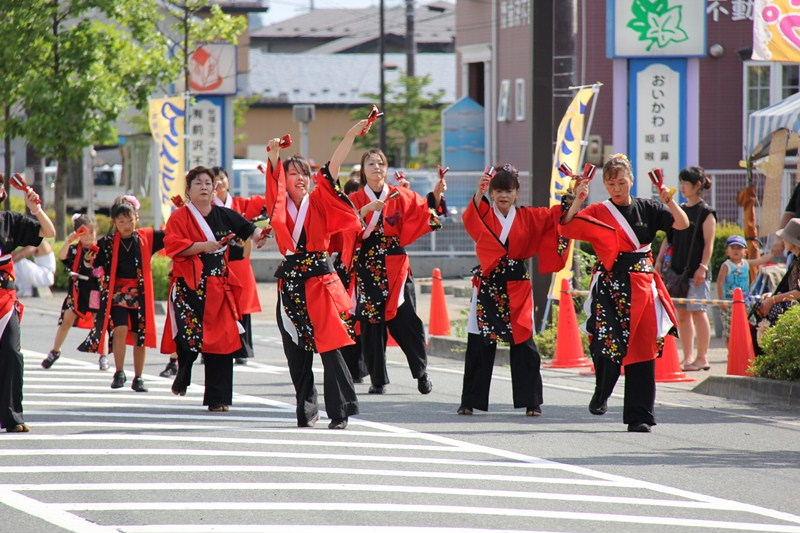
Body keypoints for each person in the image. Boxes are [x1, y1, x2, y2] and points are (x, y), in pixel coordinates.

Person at [561, 153, 689, 433]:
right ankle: (602, 391)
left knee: (642, 350)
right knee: (607, 344)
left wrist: (668, 200)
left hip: (642, 285)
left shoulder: (648, 208)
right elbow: (567, 227)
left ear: (631, 179)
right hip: (611, 287)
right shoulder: (599, 211)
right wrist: (579, 199)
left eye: (621, 182)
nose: (616, 188)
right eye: (610, 183)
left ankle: (639, 415)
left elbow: (682, 224)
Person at [266, 121, 366, 430]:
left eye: (304, 174)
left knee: (330, 345)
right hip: (291, 282)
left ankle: (340, 410)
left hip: (320, 281)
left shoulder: (319, 200)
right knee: (295, 349)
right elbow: (273, 183)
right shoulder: (278, 205)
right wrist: (274, 156)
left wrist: (349, 135)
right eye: (292, 174)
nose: (300, 178)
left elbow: (332, 169)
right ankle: (306, 408)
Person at [458, 164, 569, 417]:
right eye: (498, 191)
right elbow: (471, 218)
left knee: (524, 342)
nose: (503, 195)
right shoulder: (484, 213)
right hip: (489, 282)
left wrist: (572, 201)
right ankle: (469, 401)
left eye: (508, 191)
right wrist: (479, 192)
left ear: (516, 192)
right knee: (480, 341)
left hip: (517, 283)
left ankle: (532, 401)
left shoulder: (528, 216)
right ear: (492, 193)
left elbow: (555, 217)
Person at [161, 166, 268, 411]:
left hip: (218, 285)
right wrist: (202, 246)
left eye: (208, 183)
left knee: (222, 341)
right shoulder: (179, 217)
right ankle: (184, 370)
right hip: (189, 287)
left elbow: (248, 228)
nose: (204, 187)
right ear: (188, 190)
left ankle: (218, 398)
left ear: (214, 188)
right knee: (188, 339)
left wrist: (259, 235)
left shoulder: (224, 214)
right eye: (198, 183)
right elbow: (173, 246)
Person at [349, 150, 447, 395]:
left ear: (386, 168)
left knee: (407, 319)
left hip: (396, 264)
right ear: (363, 169)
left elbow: (423, 211)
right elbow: (344, 228)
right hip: (368, 264)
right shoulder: (355, 198)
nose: (376, 167)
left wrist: (436, 196)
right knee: (372, 322)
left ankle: (421, 373)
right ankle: (378, 379)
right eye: (371, 163)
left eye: (381, 163)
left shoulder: (399, 194)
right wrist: (364, 211)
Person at [78, 197, 164, 392]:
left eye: (130, 220)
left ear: (136, 218)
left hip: (140, 294)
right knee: (120, 328)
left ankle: (139, 377)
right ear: (114, 222)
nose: (126, 225)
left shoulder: (146, 238)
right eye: (121, 221)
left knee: (140, 335)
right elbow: (92, 264)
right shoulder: (107, 243)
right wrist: (88, 259)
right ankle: (119, 372)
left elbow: (171, 235)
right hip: (117, 293)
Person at [0, 175, 56, 433]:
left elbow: (49, 233)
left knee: (12, 353)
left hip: (4, 299)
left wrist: (36, 209)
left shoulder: (9, 221)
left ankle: (12, 416)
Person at [655, 167, 716, 372]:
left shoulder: (706, 213)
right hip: (677, 271)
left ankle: (702, 357)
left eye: (686, 183)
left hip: (697, 272)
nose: (682, 187)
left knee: (698, 312)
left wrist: (703, 267)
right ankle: (688, 356)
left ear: (697, 185)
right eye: (681, 182)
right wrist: (659, 260)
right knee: (682, 315)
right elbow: (668, 239)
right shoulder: (679, 209)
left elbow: (709, 244)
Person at [211, 166, 266, 367]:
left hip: (240, 262)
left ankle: (243, 348)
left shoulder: (241, 203)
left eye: (222, 178)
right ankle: (212, 347)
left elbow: (268, 202)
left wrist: (270, 175)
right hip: (219, 261)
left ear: (228, 181)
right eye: (214, 179)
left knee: (242, 307)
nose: (219, 182)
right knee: (217, 307)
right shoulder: (207, 209)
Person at [41, 214, 104, 370]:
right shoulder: (75, 250)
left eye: (91, 232)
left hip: (95, 291)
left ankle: (103, 355)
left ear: (96, 232)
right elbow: (62, 257)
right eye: (84, 233)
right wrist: (69, 241)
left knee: (100, 323)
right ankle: (55, 351)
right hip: (77, 291)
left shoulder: (101, 250)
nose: (88, 236)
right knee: (66, 320)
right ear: (78, 234)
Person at [329, 177, 368, 384]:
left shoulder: (366, 214)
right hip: (345, 270)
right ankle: (353, 368)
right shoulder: (341, 215)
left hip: (360, 270)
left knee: (357, 319)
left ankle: (358, 368)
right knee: (348, 319)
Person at [754, 218, 800, 329]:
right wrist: (772, 296)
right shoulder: (795, 260)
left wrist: (773, 300)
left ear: (794, 242)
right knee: (759, 304)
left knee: (773, 310)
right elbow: (790, 289)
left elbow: (798, 292)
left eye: (785, 237)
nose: (783, 240)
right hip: (793, 304)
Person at [716, 235, 751, 342]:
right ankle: (730, 350)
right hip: (729, 302)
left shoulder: (746, 263)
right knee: (730, 331)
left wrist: (772, 254)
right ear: (727, 251)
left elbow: (760, 260)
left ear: (745, 252)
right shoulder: (726, 265)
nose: (736, 250)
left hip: (745, 302)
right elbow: (720, 282)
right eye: (733, 247)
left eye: (739, 248)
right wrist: (721, 300)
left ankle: (744, 349)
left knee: (746, 328)